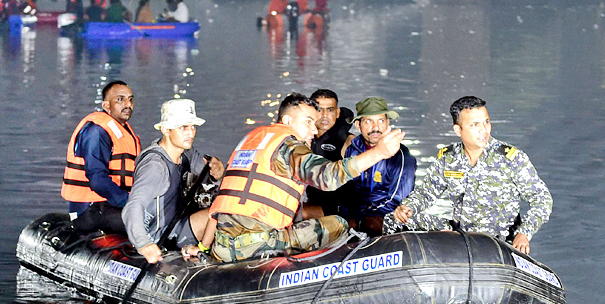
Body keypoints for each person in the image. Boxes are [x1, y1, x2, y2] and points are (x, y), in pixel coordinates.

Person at [207, 93, 404, 263]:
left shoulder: (250, 142)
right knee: (339, 225)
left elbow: (223, 201)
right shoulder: (288, 146)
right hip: (255, 245)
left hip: (223, 246)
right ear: (287, 122)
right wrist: (379, 153)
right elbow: (328, 177)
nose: (315, 130)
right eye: (308, 122)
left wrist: (202, 246)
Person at [389, 96, 551, 255]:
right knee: (393, 220)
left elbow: (542, 199)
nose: (484, 130)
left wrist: (524, 233)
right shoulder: (448, 158)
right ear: (458, 130)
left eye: (486, 122)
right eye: (475, 125)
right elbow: (426, 194)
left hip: (499, 241)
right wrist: (408, 208)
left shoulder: (511, 159)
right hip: (461, 233)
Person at [124, 99, 225, 264]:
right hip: (161, 236)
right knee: (220, 213)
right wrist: (143, 243)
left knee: (226, 205)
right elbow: (133, 205)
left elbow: (208, 173)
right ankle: (206, 253)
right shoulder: (155, 167)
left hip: (178, 223)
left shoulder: (187, 153)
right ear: (165, 130)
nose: (191, 133)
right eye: (183, 127)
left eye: (193, 127)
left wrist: (217, 172)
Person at [61, 81, 140, 235]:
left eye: (130, 99)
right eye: (120, 99)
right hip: (91, 208)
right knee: (151, 223)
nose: (128, 104)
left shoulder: (124, 130)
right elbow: (97, 179)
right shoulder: (96, 132)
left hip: (111, 204)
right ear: (106, 105)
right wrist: (129, 202)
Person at [338, 97, 416, 236]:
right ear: (358, 125)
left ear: (387, 123)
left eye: (381, 121)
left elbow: (397, 201)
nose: (376, 127)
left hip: (385, 217)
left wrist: (360, 218)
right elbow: (347, 189)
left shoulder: (401, 156)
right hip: (355, 213)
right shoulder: (353, 150)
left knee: (369, 224)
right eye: (369, 121)